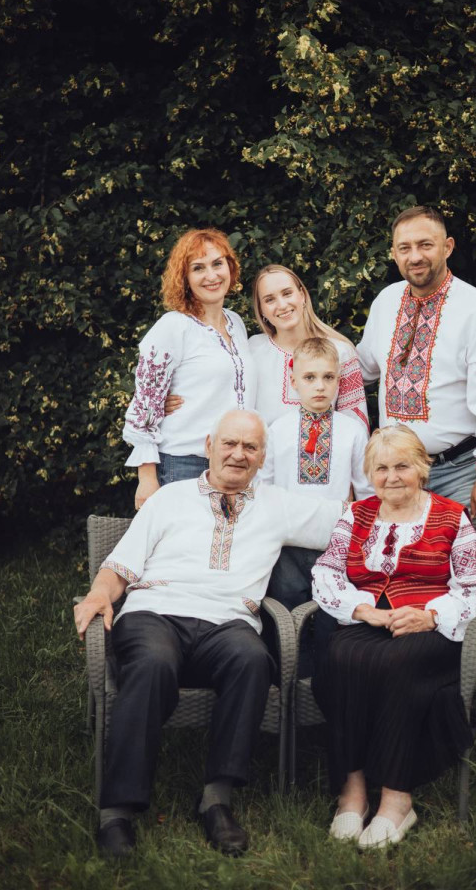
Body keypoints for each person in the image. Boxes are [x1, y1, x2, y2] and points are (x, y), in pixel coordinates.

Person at [74, 410, 344, 858]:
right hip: (155, 613)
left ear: (262, 457)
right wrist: (100, 593)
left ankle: (217, 799)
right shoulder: (170, 498)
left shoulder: (278, 505)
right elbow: (120, 565)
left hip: (229, 623)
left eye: (250, 447)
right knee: (152, 663)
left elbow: (357, 519)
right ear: (209, 446)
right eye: (229, 443)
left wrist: (432, 509)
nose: (238, 454)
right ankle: (117, 812)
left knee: (252, 659)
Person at [355, 205, 476, 728]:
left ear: (447, 247)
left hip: (456, 467)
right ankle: (414, 682)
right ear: (393, 253)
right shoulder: (386, 302)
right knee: (397, 572)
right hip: (393, 472)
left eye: (425, 245)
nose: (415, 256)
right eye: (405, 247)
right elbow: (362, 367)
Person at [311, 425, 476, 849]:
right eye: (381, 468)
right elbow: (326, 573)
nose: (391, 477)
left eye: (402, 467)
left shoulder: (451, 516)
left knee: (396, 663)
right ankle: (353, 790)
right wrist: (362, 610)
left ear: (422, 469)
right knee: (339, 656)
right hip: (372, 621)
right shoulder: (355, 516)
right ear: (370, 474)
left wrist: (431, 616)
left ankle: (397, 798)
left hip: (434, 630)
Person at [122, 228, 256, 511]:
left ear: (230, 268)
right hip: (184, 464)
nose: (211, 275)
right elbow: (144, 407)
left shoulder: (236, 323)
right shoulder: (173, 326)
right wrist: (147, 479)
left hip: (233, 464)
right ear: (184, 278)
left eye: (217, 264)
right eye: (198, 268)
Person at [260, 337, 372, 669]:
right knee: (286, 616)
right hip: (287, 546)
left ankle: (325, 684)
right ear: (293, 381)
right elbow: (263, 489)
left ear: (338, 380)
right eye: (310, 377)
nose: (320, 386)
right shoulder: (277, 430)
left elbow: (366, 492)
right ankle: (287, 681)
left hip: (334, 544)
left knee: (330, 618)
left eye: (328, 377)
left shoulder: (353, 431)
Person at [249, 264, 369, 430]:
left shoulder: (341, 351)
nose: (282, 305)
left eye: (287, 293)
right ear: (261, 309)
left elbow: (356, 425)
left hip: (328, 446)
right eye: (269, 300)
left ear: (302, 295)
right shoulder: (253, 349)